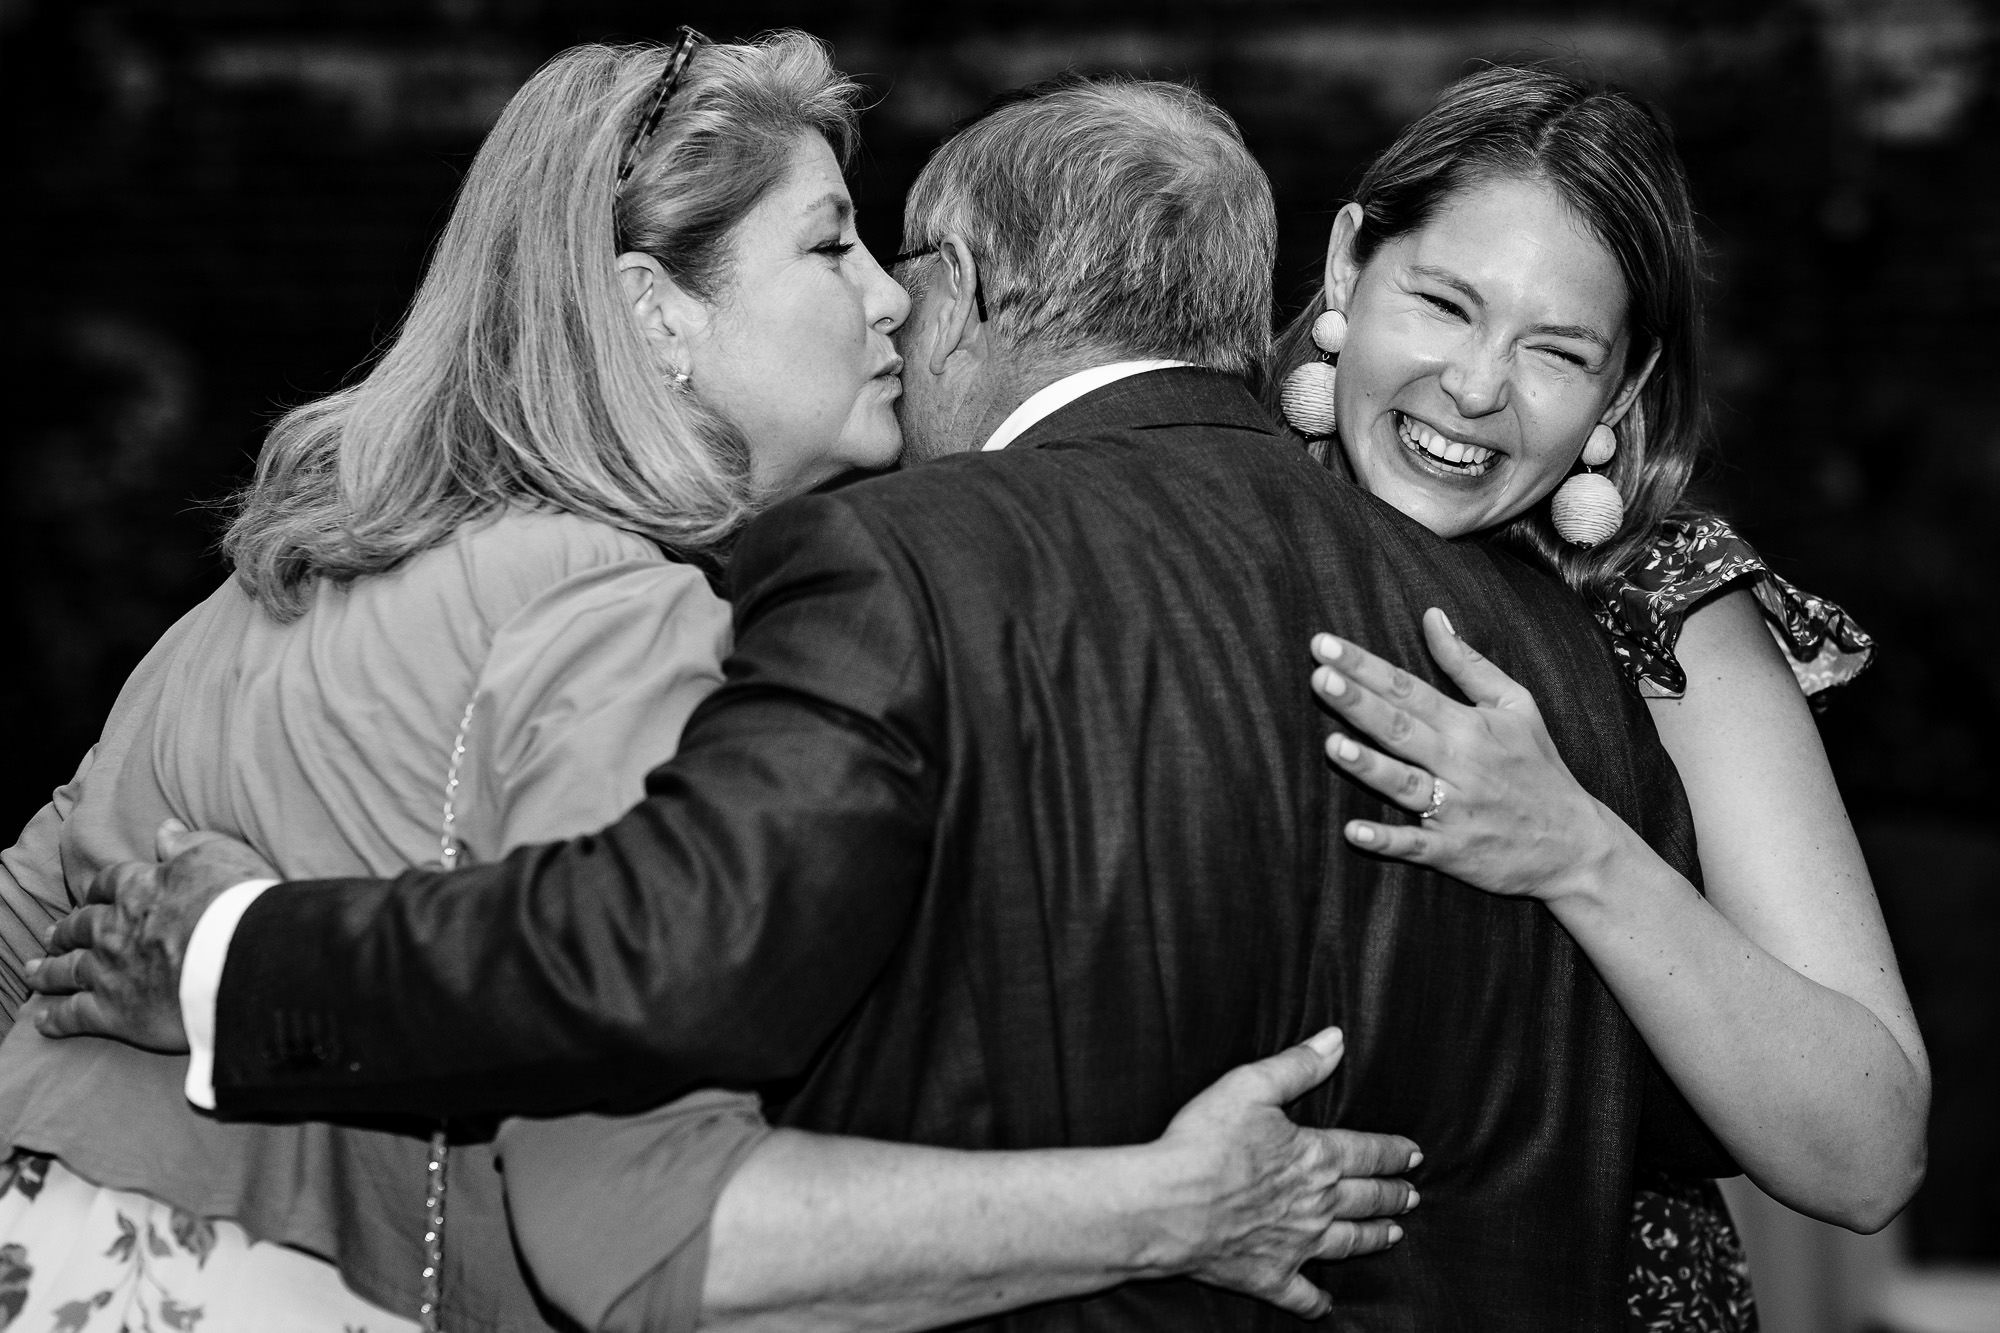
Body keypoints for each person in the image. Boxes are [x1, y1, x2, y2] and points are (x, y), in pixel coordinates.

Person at [39, 74, 1707, 1327]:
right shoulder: (1566, 652)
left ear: (975, 286)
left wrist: (224, 965)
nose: (893, 306)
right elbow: (1650, 1131)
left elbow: (653, 1004)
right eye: (834, 249)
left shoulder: (861, 573)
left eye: (881, 248)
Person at [1263, 63, 1929, 1329]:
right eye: (1445, 303)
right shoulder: (1193, 520)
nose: (1474, 388)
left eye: (1555, 352)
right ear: (1351, 264)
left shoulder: (1662, 606)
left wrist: (1572, 848)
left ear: (1622, 390)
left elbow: (1867, 1150)